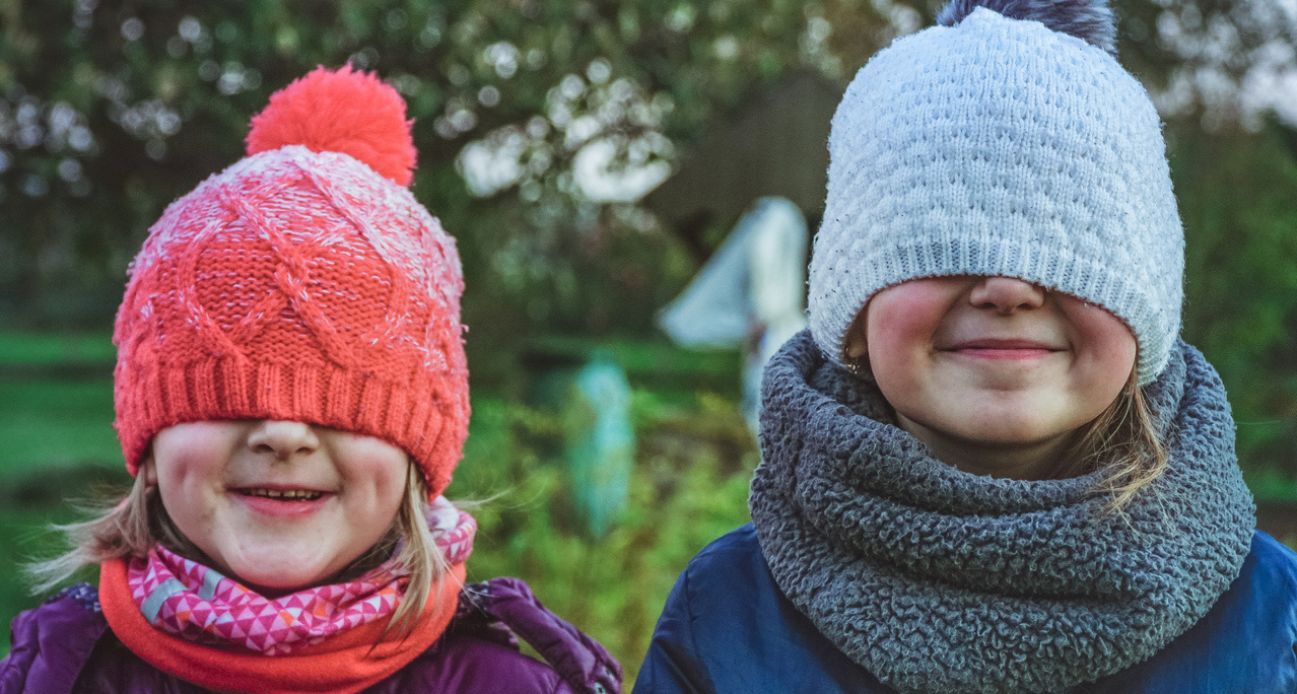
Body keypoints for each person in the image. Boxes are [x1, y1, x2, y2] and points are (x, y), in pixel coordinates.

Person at [636, 0, 1297, 692]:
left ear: (1147, 305)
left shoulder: (1272, 630)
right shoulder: (723, 617)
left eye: (1069, 242)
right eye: (941, 242)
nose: (1008, 287)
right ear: (852, 309)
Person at [0, 66, 621, 694]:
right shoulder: (54, 678)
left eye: (346, 404)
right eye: (227, 395)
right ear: (151, 447)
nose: (284, 433)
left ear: (419, 457)